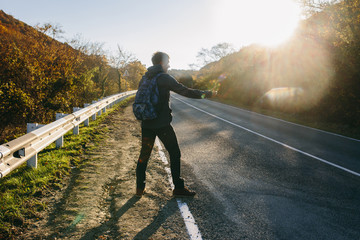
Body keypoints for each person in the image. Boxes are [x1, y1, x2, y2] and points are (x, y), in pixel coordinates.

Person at [135, 51, 213, 197]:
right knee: (174, 153)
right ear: (161, 63)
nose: (169, 65)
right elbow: (185, 91)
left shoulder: (145, 77)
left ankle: (139, 188)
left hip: (146, 124)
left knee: (144, 156)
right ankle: (178, 188)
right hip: (162, 125)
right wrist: (206, 94)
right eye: (167, 62)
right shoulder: (164, 78)